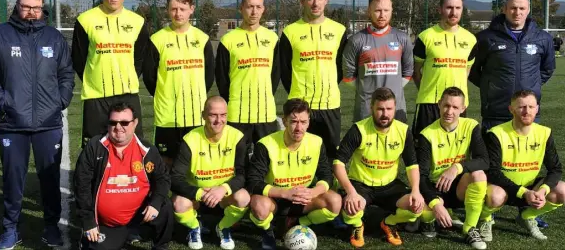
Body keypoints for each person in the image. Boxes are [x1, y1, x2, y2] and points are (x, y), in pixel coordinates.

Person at [0, 0, 75, 249]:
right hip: (12, 124)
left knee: (50, 179)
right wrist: (3, 101)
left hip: (49, 124)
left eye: (35, 7)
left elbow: (67, 74)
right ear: (17, 4)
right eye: (25, 6)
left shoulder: (54, 38)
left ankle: (51, 227)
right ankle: (10, 229)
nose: (30, 12)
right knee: (12, 180)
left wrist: (60, 101)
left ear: (42, 6)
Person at [74, 102, 174, 250]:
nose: (118, 127)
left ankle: (160, 246)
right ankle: (94, 239)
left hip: (140, 214)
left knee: (164, 205)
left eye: (125, 123)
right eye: (113, 122)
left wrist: (155, 203)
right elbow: (81, 185)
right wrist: (88, 221)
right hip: (108, 223)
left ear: (135, 123)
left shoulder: (147, 150)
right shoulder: (95, 147)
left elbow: (162, 179)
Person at [72, 0, 153, 148]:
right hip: (96, 97)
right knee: (94, 149)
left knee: (132, 148)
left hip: (128, 95)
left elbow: (139, 59)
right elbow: (79, 59)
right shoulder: (85, 20)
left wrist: (127, 76)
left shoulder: (137, 22)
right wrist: (94, 80)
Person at [332, 87, 422, 247]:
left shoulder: (403, 131)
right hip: (361, 185)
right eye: (380, 109)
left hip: (389, 185)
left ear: (395, 108)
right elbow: (338, 163)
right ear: (371, 108)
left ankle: (389, 223)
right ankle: (357, 225)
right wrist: (351, 192)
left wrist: (415, 190)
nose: (385, 114)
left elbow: (412, 165)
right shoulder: (358, 129)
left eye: (389, 109)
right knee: (350, 209)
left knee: (416, 208)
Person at [247, 98, 342, 250]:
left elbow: (326, 175)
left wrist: (313, 192)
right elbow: (253, 182)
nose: (299, 127)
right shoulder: (266, 144)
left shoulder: (316, 142)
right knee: (259, 206)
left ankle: (297, 224)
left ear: (309, 122)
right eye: (294, 121)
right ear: (284, 121)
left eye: (303, 122)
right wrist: (284, 193)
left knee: (335, 202)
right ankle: (268, 231)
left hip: (303, 199)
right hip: (275, 199)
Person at [477, 90, 565, 242]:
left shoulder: (544, 133)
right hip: (504, 188)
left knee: (563, 191)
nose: (526, 111)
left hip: (531, 189)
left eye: (531, 107)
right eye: (521, 107)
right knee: (495, 196)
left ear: (537, 109)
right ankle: (486, 218)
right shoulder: (496, 133)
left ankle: (527, 216)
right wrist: (523, 192)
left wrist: (542, 190)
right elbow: (492, 172)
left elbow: (555, 169)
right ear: (511, 109)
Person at [143, 0, 215, 168]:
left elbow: (209, 75)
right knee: (166, 162)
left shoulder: (203, 39)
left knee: (196, 163)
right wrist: (164, 95)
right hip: (167, 115)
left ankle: (193, 197)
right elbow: (150, 78)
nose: (178, 14)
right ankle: (165, 196)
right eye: (173, 9)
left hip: (197, 116)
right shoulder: (157, 40)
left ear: (192, 9)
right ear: (167, 10)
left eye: (182, 9)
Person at [279, 0, 348, 159]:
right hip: (300, 105)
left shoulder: (339, 30)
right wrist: (297, 93)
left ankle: (329, 187)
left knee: (331, 153)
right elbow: (284, 70)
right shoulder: (290, 32)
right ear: (302, 1)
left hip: (330, 104)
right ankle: (300, 186)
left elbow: (341, 67)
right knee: (298, 153)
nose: (315, 3)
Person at [169, 96, 249, 250]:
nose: (219, 120)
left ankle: (223, 227)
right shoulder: (190, 139)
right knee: (179, 203)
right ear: (203, 115)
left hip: (223, 196)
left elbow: (243, 174)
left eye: (223, 115)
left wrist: (223, 188)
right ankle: (194, 227)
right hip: (197, 197)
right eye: (213, 115)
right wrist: (199, 193)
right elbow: (175, 178)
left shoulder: (237, 137)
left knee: (243, 197)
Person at [470, 0, 555, 132]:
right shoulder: (485, 38)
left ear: (528, 10)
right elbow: (472, 70)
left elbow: (547, 69)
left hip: (528, 111)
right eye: (513, 8)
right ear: (504, 9)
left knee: (528, 153)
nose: (517, 12)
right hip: (496, 112)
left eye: (522, 8)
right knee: (494, 154)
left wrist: (531, 85)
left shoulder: (543, 38)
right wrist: (490, 86)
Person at [417, 87, 488, 250]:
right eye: (446, 105)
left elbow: (484, 160)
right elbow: (421, 176)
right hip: (437, 189)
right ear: (439, 104)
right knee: (423, 210)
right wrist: (436, 204)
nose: (450, 111)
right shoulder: (427, 134)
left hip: (460, 188)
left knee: (479, 175)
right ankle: (429, 222)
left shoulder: (471, 126)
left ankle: (469, 228)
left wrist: (456, 167)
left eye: (455, 107)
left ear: (463, 109)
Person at [215, 0, 280, 154]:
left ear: (263, 9)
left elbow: (275, 75)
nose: (254, 11)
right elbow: (222, 78)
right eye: (250, 6)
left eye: (258, 6)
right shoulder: (228, 40)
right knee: (237, 164)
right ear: (241, 8)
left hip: (266, 113)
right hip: (237, 114)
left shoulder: (272, 39)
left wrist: (265, 94)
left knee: (267, 162)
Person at [412, 0, 477, 142]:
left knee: (456, 150)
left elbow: (466, 71)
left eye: (458, 8)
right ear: (440, 9)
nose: (453, 12)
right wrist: (427, 91)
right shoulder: (425, 37)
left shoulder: (471, 39)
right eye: (449, 7)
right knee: (423, 151)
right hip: (429, 103)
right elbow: (416, 72)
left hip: (459, 105)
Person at [342, 0, 413, 123]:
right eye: (377, 10)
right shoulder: (356, 40)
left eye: (386, 10)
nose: (382, 15)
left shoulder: (402, 38)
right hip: (366, 109)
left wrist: (392, 92)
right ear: (369, 11)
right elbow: (348, 76)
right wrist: (367, 90)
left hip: (395, 109)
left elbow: (408, 72)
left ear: (392, 11)